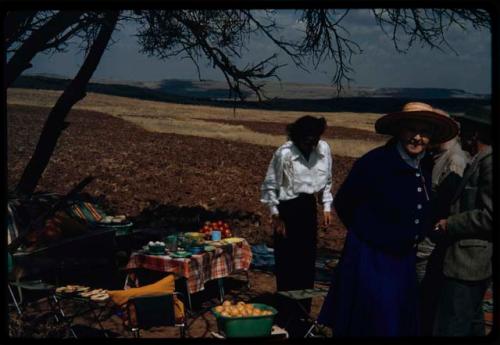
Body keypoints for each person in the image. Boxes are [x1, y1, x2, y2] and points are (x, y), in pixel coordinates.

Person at [318, 102, 459, 336]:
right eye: (411, 130)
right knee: (372, 322)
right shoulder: (375, 163)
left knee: (398, 323)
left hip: (403, 260)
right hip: (371, 258)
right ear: (399, 130)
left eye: (424, 133)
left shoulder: (424, 164)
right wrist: (368, 236)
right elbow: (344, 202)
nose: (417, 138)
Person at [260, 115, 333, 336]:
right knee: (287, 264)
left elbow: (327, 180)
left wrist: (327, 206)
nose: (310, 144)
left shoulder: (324, 150)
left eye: (314, 139)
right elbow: (270, 185)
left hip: (308, 208)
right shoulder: (284, 153)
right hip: (286, 210)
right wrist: (275, 214)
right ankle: (285, 314)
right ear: (296, 136)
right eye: (305, 140)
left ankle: (302, 315)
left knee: (306, 262)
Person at [432, 108, 492, 336]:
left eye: (464, 130)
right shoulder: (478, 161)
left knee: (453, 325)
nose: (459, 135)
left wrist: (451, 223)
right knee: (471, 323)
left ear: (474, 134)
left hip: (469, 263)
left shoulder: (488, 163)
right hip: (469, 261)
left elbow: (490, 216)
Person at [417, 110, 470, 335]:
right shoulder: (434, 156)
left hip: (432, 236)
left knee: (423, 290)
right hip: (426, 232)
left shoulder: (454, 160)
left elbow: (445, 203)